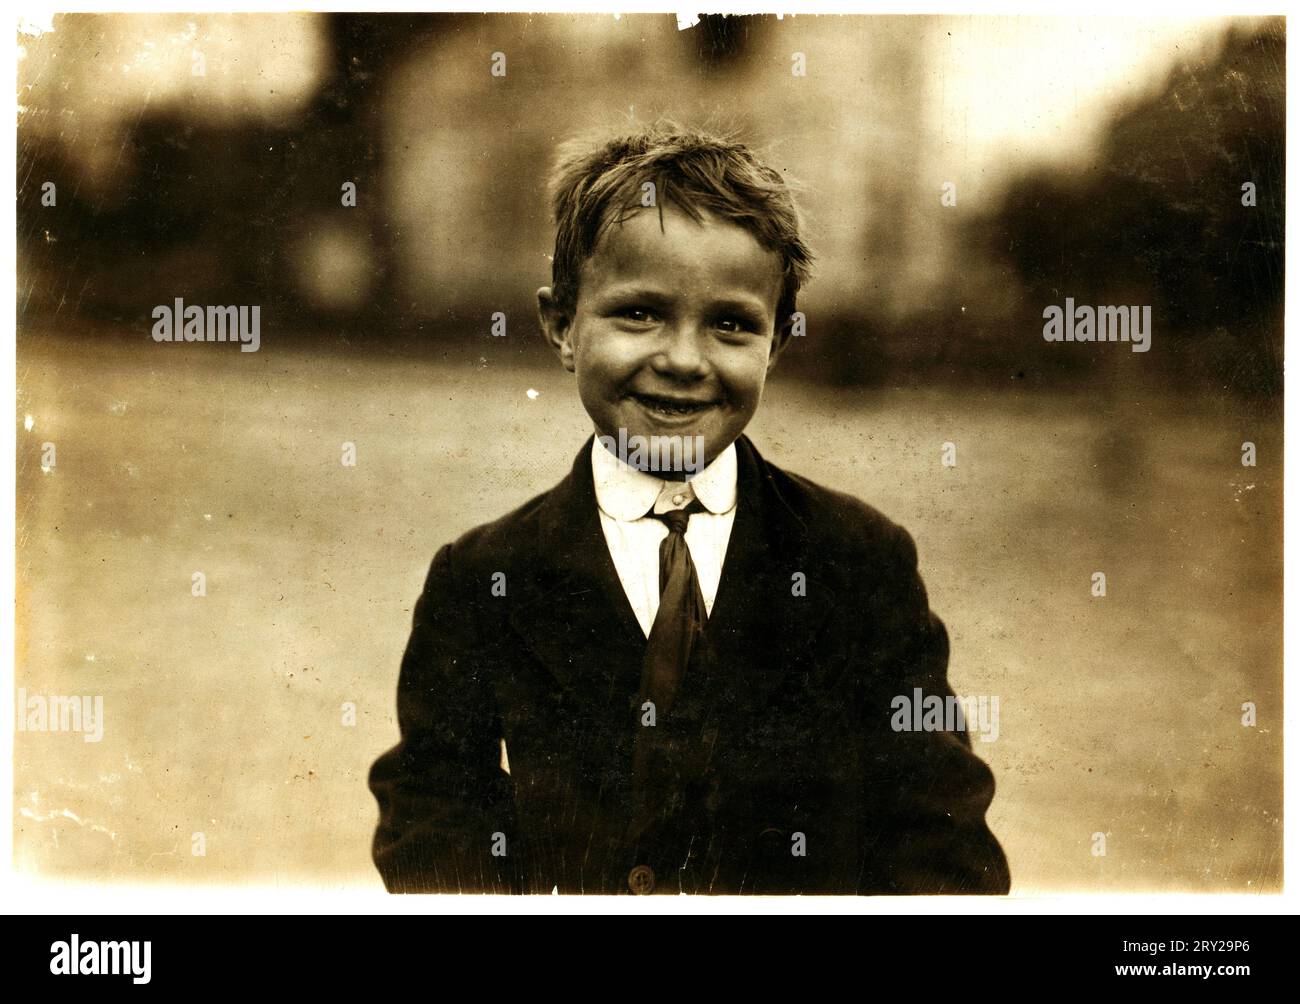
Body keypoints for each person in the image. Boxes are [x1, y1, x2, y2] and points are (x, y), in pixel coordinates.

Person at [368, 124, 1010, 895]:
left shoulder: (858, 558)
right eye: (638, 314)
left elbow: (938, 828)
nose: (681, 359)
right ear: (561, 325)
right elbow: (435, 818)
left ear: (776, 346)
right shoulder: (482, 576)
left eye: (732, 325)